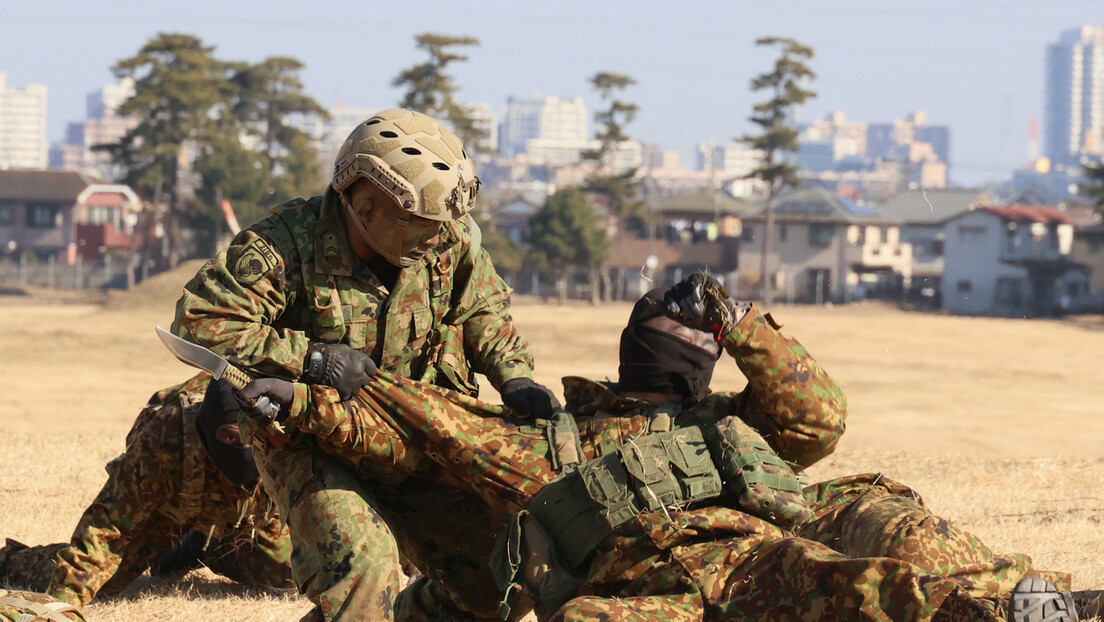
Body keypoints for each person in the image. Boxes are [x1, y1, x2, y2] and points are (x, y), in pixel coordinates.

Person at [233, 273, 1078, 621]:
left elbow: (819, 417)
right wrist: (307, 392)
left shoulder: (732, 429)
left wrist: (739, 320)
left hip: (767, 544)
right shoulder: (555, 440)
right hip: (651, 588)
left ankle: (1028, 604)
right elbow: (425, 420)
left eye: (684, 329)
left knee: (885, 549)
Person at [171, 108, 556, 621]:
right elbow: (200, 319)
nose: (439, 236)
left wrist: (516, 377)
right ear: (367, 203)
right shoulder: (287, 244)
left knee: (501, 572)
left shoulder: (449, 237)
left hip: (415, 439)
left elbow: (483, 309)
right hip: (312, 440)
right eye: (421, 223)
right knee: (365, 570)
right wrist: (311, 359)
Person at [0, 374, 292, 609]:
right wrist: (62, 605)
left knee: (290, 578)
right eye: (229, 436)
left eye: (249, 437)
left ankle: (209, 547)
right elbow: (106, 529)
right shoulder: (165, 438)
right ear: (209, 428)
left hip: (251, 513)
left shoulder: (289, 425)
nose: (241, 447)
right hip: (174, 506)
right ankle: (9, 560)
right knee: (104, 580)